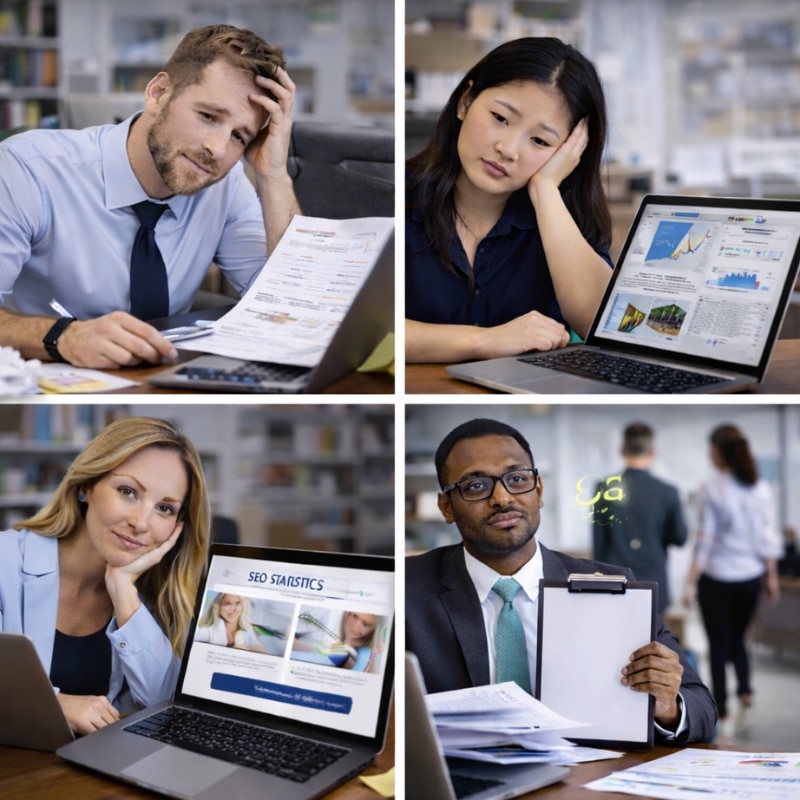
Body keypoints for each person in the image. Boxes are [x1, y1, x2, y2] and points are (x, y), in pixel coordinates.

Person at [0, 24, 300, 369]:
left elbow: (291, 308)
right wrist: (63, 336)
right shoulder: (28, 169)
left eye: (239, 136)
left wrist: (273, 174)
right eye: (207, 116)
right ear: (159, 93)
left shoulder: (225, 185)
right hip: (46, 378)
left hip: (161, 379)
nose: (217, 150)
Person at [407, 418, 717, 746]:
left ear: (538, 490)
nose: (502, 497)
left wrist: (667, 707)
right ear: (446, 507)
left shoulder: (616, 587)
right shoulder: (408, 589)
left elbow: (701, 709)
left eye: (516, 478)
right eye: (476, 486)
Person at [406, 37, 614, 363]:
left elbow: (605, 325)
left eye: (540, 140)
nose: (508, 149)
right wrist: (485, 340)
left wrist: (545, 189)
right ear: (465, 101)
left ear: (569, 152)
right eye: (500, 118)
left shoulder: (562, 219)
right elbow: (352, 329)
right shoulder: (392, 197)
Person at [0, 417, 210, 735]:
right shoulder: (6, 560)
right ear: (86, 485)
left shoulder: (153, 596)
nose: (141, 522)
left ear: (179, 526)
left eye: (165, 509)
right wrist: (57, 703)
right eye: (127, 491)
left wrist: (123, 590)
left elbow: (164, 706)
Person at [684, 424, 783, 734]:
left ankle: (722, 709)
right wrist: (772, 577)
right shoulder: (760, 487)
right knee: (738, 637)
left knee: (717, 644)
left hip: (717, 578)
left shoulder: (710, 488)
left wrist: (690, 582)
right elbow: (766, 537)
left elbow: (705, 541)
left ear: (716, 451)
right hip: (750, 577)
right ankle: (745, 689)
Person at [592, 422, 688, 614]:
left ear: (622, 450)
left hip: (616, 582)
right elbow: (680, 538)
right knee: (652, 642)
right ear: (652, 451)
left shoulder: (605, 488)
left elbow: (599, 543)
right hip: (654, 582)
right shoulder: (668, 491)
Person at [194, 592, 267, 653]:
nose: (233, 609)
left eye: (237, 603)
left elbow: (263, 654)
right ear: (218, 607)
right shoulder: (207, 632)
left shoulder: (247, 629)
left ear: (243, 607)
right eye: (227, 604)